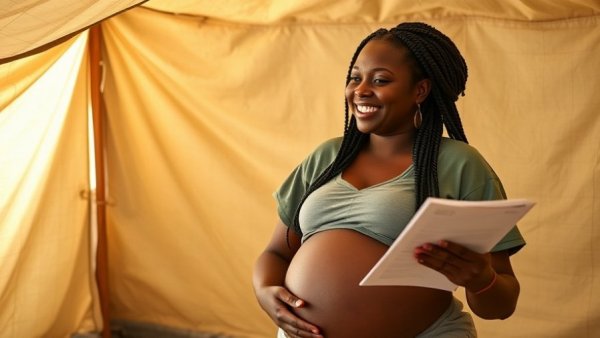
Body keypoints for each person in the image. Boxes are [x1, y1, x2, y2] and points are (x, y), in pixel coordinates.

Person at [252, 22, 525, 338]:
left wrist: (481, 279)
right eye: (355, 78)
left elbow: (502, 305)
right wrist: (265, 291)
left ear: (420, 90)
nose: (361, 90)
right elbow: (276, 252)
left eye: (380, 80)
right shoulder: (328, 157)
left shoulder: (459, 163)